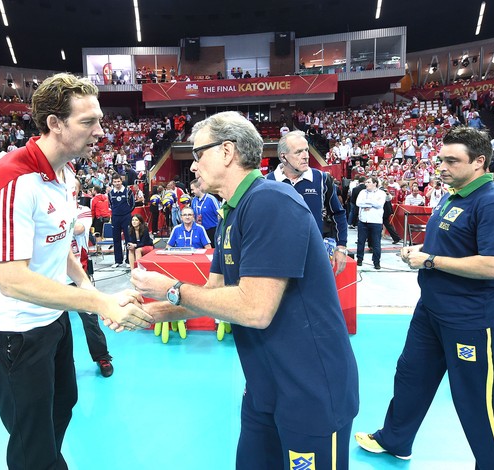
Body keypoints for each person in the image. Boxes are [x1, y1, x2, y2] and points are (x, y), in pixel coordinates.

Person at [131, 111, 358, 470]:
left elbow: (255, 309)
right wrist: (152, 310)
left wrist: (173, 288)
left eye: (197, 153)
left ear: (226, 151)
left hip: (309, 388)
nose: (191, 166)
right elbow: (215, 293)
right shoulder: (231, 213)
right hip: (264, 387)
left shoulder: (270, 201)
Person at [0, 73, 152, 470]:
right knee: (31, 436)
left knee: (62, 406)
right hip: (11, 331)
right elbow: (11, 279)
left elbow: (59, 239)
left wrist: (86, 283)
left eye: (99, 119)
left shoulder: (66, 173)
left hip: (51, 317)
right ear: (55, 124)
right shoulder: (9, 181)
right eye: (88, 122)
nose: (100, 131)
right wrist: (98, 301)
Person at [355, 126, 494, 469]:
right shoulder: (452, 194)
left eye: (451, 160)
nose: (442, 167)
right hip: (431, 311)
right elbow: (454, 244)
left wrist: (430, 260)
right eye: (440, 159)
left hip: (470, 319)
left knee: (477, 400)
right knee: (410, 377)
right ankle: (395, 440)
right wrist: (425, 250)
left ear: (479, 162)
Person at [267, 130, 349, 274]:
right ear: (283, 157)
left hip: (312, 257)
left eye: (306, 150)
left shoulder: (321, 179)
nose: (306, 156)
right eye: (298, 152)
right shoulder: (267, 182)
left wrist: (341, 246)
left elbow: (338, 213)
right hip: (277, 257)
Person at [70, 194, 114, 377]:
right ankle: (61, 364)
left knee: (90, 319)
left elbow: (79, 229)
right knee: (53, 324)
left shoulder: (83, 212)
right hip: (51, 276)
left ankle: (102, 357)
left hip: (79, 274)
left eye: (73, 189)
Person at [355, 176, 385, 269]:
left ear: (374, 183)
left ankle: (376, 262)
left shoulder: (381, 193)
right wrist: (372, 204)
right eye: (366, 182)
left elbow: (379, 204)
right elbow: (358, 203)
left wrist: (367, 203)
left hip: (376, 221)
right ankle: (359, 259)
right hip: (363, 221)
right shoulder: (362, 192)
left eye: (368, 182)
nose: (366, 184)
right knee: (361, 241)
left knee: (376, 243)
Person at [108, 173, 135, 268]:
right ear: (112, 182)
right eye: (115, 182)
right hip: (115, 217)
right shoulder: (110, 193)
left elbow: (132, 204)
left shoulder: (128, 191)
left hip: (126, 217)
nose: (117, 183)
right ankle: (118, 260)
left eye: (118, 181)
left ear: (121, 181)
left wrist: (126, 212)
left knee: (128, 238)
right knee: (116, 239)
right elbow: (110, 204)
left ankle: (128, 260)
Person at [189, 178, 220, 244]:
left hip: (211, 230)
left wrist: (220, 230)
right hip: (199, 230)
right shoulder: (194, 200)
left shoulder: (211, 199)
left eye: (192, 189)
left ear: (199, 188)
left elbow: (220, 214)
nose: (192, 192)